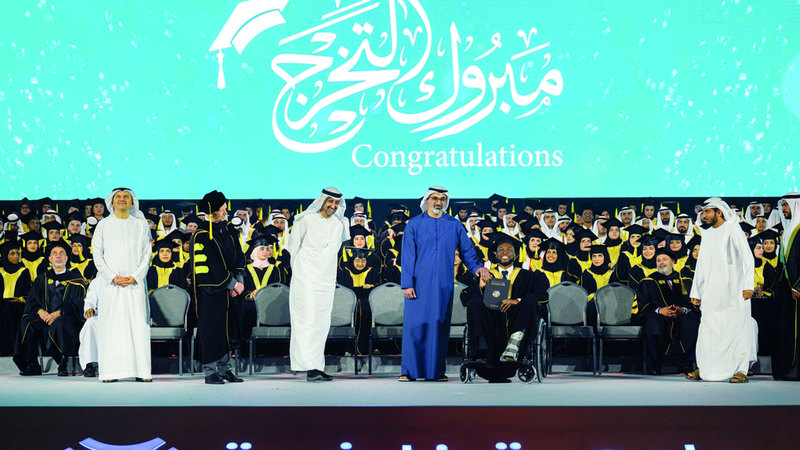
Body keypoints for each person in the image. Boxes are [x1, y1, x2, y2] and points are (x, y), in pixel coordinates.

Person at [400, 186, 489, 382]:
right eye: (435, 198)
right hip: (417, 285)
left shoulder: (454, 225)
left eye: (442, 199)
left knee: (438, 326)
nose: (438, 202)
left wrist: (478, 269)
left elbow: (467, 252)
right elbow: (407, 257)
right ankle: (409, 371)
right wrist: (407, 284)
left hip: (443, 285)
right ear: (427, 200)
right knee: (415, 327)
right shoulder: (414, 224)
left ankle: (435, 372)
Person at [687, 198, 757, 383]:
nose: (704, 215)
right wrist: (696, 291)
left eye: (707, 211)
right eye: (703, 212)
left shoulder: (733, 229)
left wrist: (748, 285)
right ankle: (705, 367)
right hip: (711, 291)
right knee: (708, 329)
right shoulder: (707, 234)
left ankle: (741, 370)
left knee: (737, 329)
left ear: (719, 212)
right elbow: (701, 265)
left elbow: (747, 258)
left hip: (734, 290)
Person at [463, 233, 548, 383]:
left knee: (530, 299)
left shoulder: (528, 276)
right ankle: (482, 351)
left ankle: (513, 346)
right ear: (495, 255)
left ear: (515, 255)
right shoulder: (487, 275)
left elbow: (543, 296)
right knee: (474, 303)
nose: (505, 253)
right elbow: (465, 299)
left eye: (509, 250)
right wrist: (481, 287)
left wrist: (517, 300)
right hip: (492, 326)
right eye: (501, 250)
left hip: (516, 322)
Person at [286, 187, 350, 382]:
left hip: (326, 280)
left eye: (336, 203)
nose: (333, 206)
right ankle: (308, 366)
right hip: (305, 279)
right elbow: (293, 249)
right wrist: (300, 273)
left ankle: (315, 366)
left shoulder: (339, 224)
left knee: (321, 323)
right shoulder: (305, 220)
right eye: (330, 201)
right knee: (306, 321)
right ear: (322, 201)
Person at [92, 188, 153, 383]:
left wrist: (135, 276)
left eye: (126, 196)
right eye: (118, 196)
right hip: (111, 286)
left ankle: (142, 372)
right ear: (112, 201)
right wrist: (112, 276)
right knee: (112, 327)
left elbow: (147, 254)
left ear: (131, 202)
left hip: (135, 285)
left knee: (137, 325)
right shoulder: (103, 225)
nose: (122, 199)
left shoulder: (140, 225)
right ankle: (110, 373)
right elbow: (97, 255)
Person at [190, 190, 246, 385]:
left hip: (230, 291)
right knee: (212, 330)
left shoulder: (228, 229)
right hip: (211, 291)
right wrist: (232, 284)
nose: (226, 212)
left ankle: (225, 368)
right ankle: (210, 371)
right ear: (212, 210)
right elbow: (210, 266)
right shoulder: (202, 235)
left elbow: (238, 255)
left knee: (228, 330)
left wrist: (239, 280)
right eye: (222, 209)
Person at [13, 240, 87, 376]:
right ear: (50, 259)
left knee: (60, 324)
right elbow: (32, 299)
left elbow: (77, 303)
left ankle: (63, 364)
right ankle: (32, 365)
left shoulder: (76, 279)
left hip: (65, 317)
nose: (58, 256)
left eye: (61, 253)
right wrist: (40, 311)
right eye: (55, 254)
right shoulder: (42, 279)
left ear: (66, 258)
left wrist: (59, 313)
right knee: (27, 323)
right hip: (44, 316)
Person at [633, 248, 699, 375]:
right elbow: (642, 304)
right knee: (653, 322)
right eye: (658, 260)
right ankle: (655, 364)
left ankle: (686, 363)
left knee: (692, 321)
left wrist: (682, 310)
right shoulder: (647, 281)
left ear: (673, 261)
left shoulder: (685, 281)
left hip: (681, 315)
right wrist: (659, 310)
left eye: (664, 259)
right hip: (658, 316)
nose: (661, 262)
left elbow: (693, 303)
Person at [772, 192, 800, 380]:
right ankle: (785, 368)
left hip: (796, 289)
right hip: (784, 290)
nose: (783, 209)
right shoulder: (788, 229)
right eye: (782, 205)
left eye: (786, 205)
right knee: (785, 330)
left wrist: (798, 286)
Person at [1, 241, 32, 355]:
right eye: (12, 254)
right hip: (2, 304)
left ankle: (10, 348)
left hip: (18, 305)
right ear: (5, 255)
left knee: (7, 310)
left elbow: (28, 292)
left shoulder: (23, 271)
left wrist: (21, 299)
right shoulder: (0, 271)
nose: (16, 256)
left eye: (17, 253)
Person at [79, 279, 102, 377]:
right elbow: (90, 299)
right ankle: (89, 364)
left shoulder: (128, 278)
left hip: (123, 317)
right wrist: (89, 307)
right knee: (90, 323)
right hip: (102, 316)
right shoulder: (98, 281)